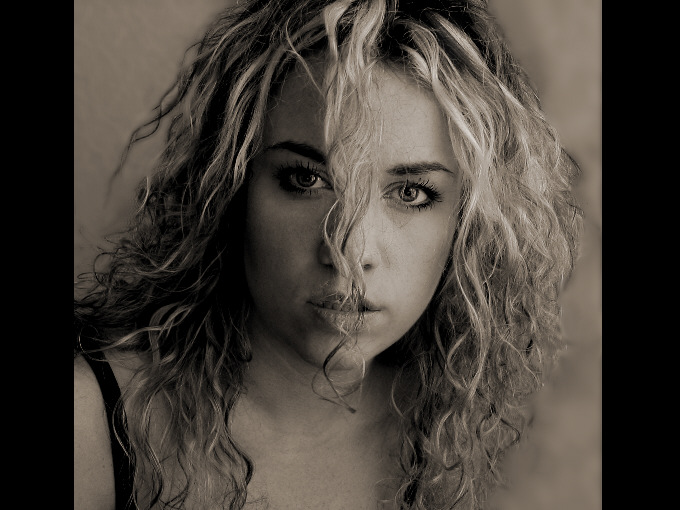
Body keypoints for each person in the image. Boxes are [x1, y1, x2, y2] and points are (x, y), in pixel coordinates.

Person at [74, 0, 584, 508]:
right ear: (232, 188)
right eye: (306, 179)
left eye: (411, 193)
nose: (350, 250)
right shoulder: (93, 421)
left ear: (470, 223)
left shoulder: (482, 443)